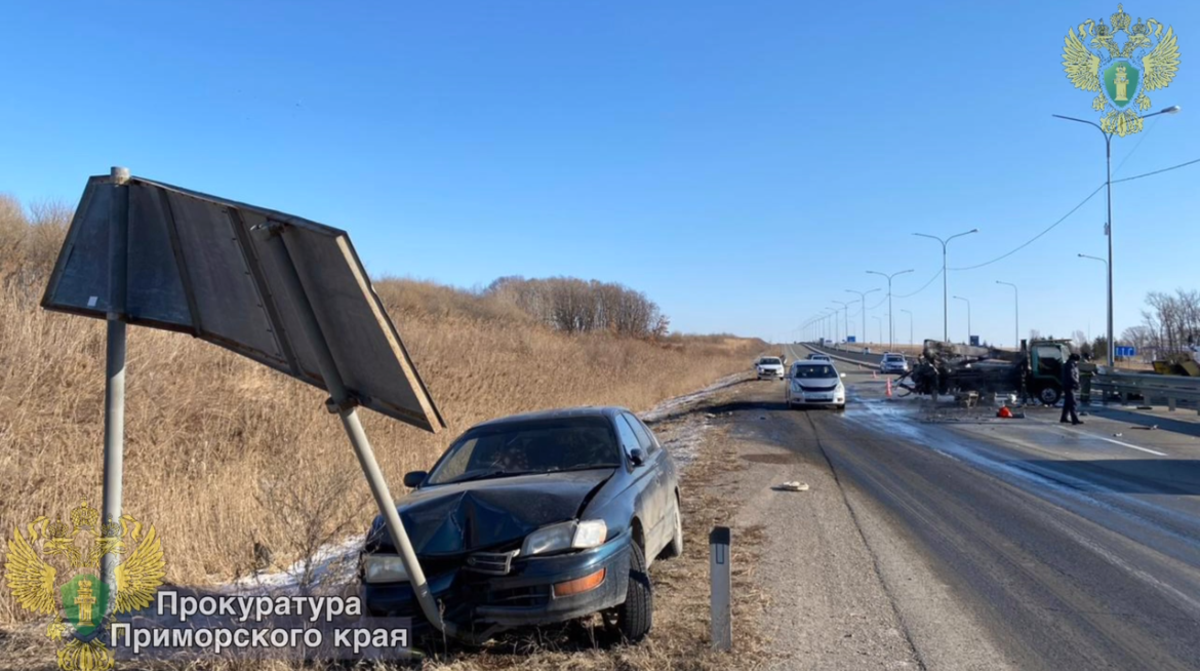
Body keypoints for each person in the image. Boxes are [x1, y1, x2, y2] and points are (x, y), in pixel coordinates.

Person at [1060, 353, 1082, 425]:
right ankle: (1075, 419)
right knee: (1073, 403)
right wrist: (1076, 383)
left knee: (1067, 403)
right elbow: (1071, 375)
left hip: (1067, 385)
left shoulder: (1068, 364)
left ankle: (1064, 418)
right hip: (1069, 385)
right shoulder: (1071, 365)